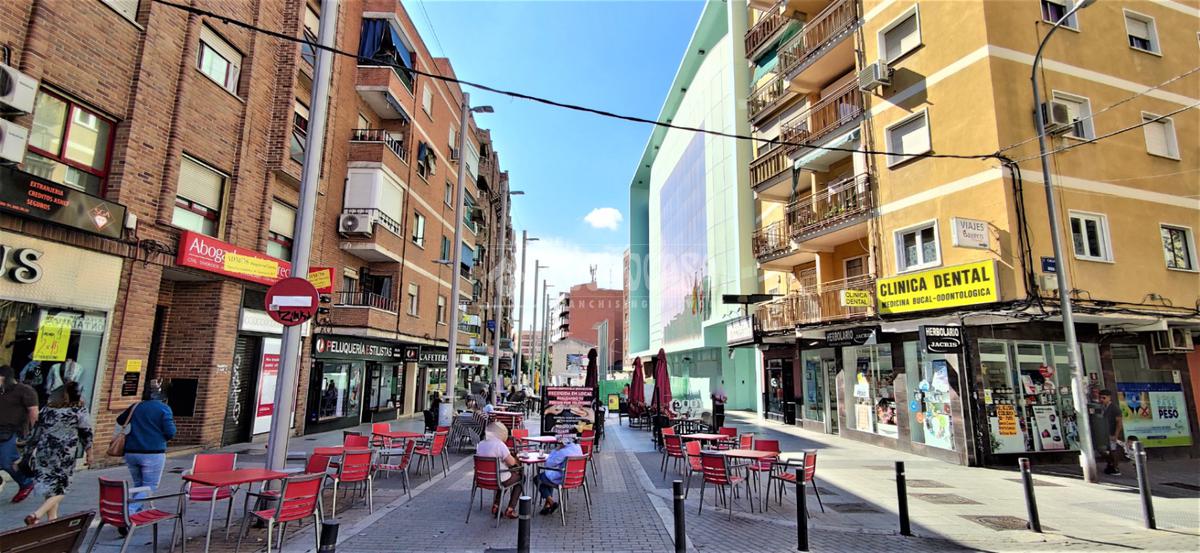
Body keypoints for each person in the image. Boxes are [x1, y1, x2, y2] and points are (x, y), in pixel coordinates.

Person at [24, 382, 92, 525]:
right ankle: (37, 514)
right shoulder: (78, 410)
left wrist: (28, 453)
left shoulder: (47, 409)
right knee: (62, 488)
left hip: (44, 452)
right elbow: (86, 433)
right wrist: (89, 453)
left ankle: (52, 520)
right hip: (64, 453)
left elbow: (35, 433)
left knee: (51, 487)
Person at [116, 380, 176, 514]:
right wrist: (160, 438)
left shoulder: (136, 406)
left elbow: (120, 420)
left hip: (131, 451)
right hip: (153, 452)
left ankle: (136, 512)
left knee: (139, 485)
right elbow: (170, 432)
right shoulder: (163, 408)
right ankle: (129, 511)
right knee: (150, 486)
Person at [0, 365, 39, 503]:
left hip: (13, 431)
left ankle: (26, 482)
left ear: (6, 378)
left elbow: (33, 412)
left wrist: (35, 434)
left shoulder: (25, 390)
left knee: (7, 461)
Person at [475, 422, 522, 519]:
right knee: (520, 478)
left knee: (505, 479)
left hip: (481, 479)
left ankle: (496, 505)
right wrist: (516, 459)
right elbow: (512, 463)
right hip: (498, 479)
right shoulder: (499, 445)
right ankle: (510, 509)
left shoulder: (481, 444)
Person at [535, 436, 583, 515]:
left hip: (564, 479)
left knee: (538, 478)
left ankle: (551, 502)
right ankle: (548, 505)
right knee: (546, 478)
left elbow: (548, 464)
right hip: (577, 478)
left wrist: (556, 450)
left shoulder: (563, 452)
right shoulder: (578, 447)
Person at [1099, 389, 1124, 475]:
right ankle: (1110, 465)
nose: (1102, 400)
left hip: (1112, 433)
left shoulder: (1114, 408)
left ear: (1109, 397)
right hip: (1105, 433)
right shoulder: (1103, 407)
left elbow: (1119, 422)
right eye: (1100, 398)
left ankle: (1115, 467)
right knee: (1105, 450)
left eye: (1104, 398)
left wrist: (1116, 435)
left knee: (1113, 451)